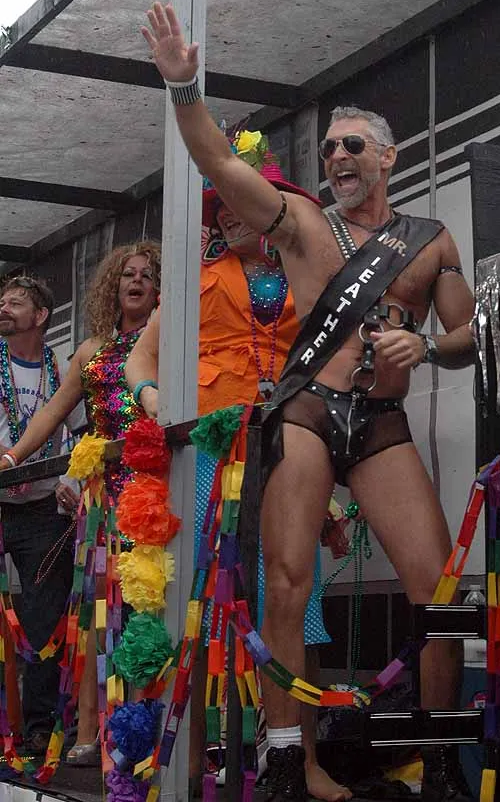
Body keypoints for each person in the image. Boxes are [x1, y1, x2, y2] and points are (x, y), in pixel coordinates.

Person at [142, 2, 476, 802]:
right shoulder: (296, 221)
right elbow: (218, 162)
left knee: (440, 592)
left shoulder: (430, 240)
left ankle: (437, 761)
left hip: (382, 424)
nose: (336, 156)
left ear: (388, 157)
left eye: (351, 145)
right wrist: (184, 89)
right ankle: (288, 760)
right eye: (328, 147)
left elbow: (468, 335)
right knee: (286, 584)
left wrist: (426, 347)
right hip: (305, 415)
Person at [125, 146, 351, 802]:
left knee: (297, 603)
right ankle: (189, 763)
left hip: (290, 444)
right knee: (198, 604)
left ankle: (300, 761)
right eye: (218, 206)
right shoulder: (193, 281)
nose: (225, 214)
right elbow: (140, 360)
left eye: (236, 201)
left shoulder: (308, 275)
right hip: (208, 451)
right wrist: (154, 403)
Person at [0, 243, 161, 764]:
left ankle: (144, 728)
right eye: (127, 274)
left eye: (148, 275)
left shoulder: (171, 341)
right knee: (96, 612)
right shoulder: (91, 349)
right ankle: (92, 731)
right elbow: (52, 413)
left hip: (157, 491)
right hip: (104, 499)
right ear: (112, 285)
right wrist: (12, 457)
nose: (136, 282)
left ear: (162, 289)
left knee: (148, 609)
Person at [0, 276, 77, 757]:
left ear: (41, 315)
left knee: (44, 622)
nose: (4, 308)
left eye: (15, 302)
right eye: (2, 302)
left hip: (46, 512)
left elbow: (85, 435)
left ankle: (38, 729)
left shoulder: (65, 369)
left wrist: (75, 483)